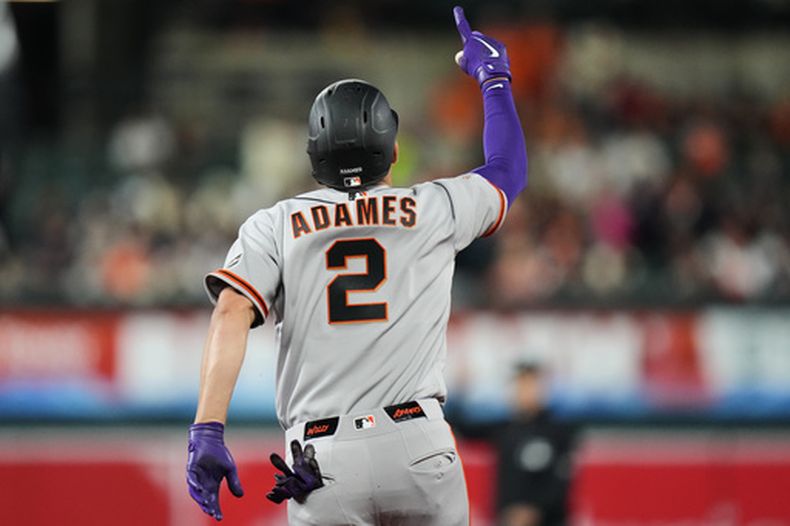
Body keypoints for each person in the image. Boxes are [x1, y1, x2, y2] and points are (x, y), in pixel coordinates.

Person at [185, 6, 527, 524]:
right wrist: (493, 80)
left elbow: (230, 312)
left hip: (324, 456)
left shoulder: (274, 223)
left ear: (312, 155)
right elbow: (508, 170)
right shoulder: (434, 206)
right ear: (393, 151)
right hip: (421, 443)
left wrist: (208, 428)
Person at [450, 362, 577, 526]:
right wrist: (461, 391)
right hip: (507, 519)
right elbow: (461, 428)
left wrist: (533, 510)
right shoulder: (504, 429)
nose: (524, 391)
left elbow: (562, 480)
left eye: (531, 384)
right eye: (520, 385)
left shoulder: (558, 431)